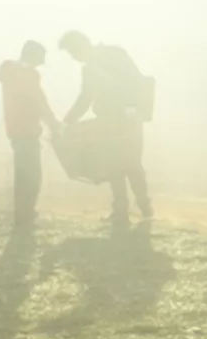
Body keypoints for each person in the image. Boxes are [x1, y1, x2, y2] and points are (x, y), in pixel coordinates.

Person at [59, 30, 153, 228]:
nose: (74, 57)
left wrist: (68, 121)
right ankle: (137, 210)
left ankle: (133, 210)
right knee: (123, 164)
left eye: (72, 52)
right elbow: (87, 97)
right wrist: (68, 120)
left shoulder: (109, 58)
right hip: (118, 118)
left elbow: (87, 97)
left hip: (122, 118)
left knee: (123, 165)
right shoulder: (110, 56)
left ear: (80, 46)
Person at [0, 40, 61, 228]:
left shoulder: (11, 72)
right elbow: (38, 100)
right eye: (40, 59)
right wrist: (53, 124)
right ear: (32, 56)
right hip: (26, 131)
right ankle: (25, 215)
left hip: (18, 131)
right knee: (31, 176)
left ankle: (24, 214)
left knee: (26, 175)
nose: (40, 64)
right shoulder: (26, 74)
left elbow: (37, 99)